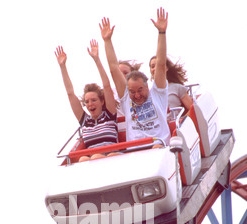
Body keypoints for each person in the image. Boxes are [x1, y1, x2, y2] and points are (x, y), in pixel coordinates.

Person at [100, 8, 170, 146]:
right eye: (132, 91)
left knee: (155, 149)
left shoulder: (158, 94)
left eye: (140, 90)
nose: (137, 95)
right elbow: (114, 68)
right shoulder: (126, 98)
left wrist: (161, 32)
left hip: (158, 147)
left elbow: (161, 64)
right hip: (135, 152)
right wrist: (107, 41)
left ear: (147, 86)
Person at [55, 40, 119, 162]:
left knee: (96, 157)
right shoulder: (85, 121)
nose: (90, 104)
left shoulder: (109, 115)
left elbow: (106, 86)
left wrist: (97, 60)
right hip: (93, 162)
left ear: (101, 101)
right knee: (83, 159)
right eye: (87, 101)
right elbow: (70, 93)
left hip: (112, 158)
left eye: (94, 100)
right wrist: (63, 67)